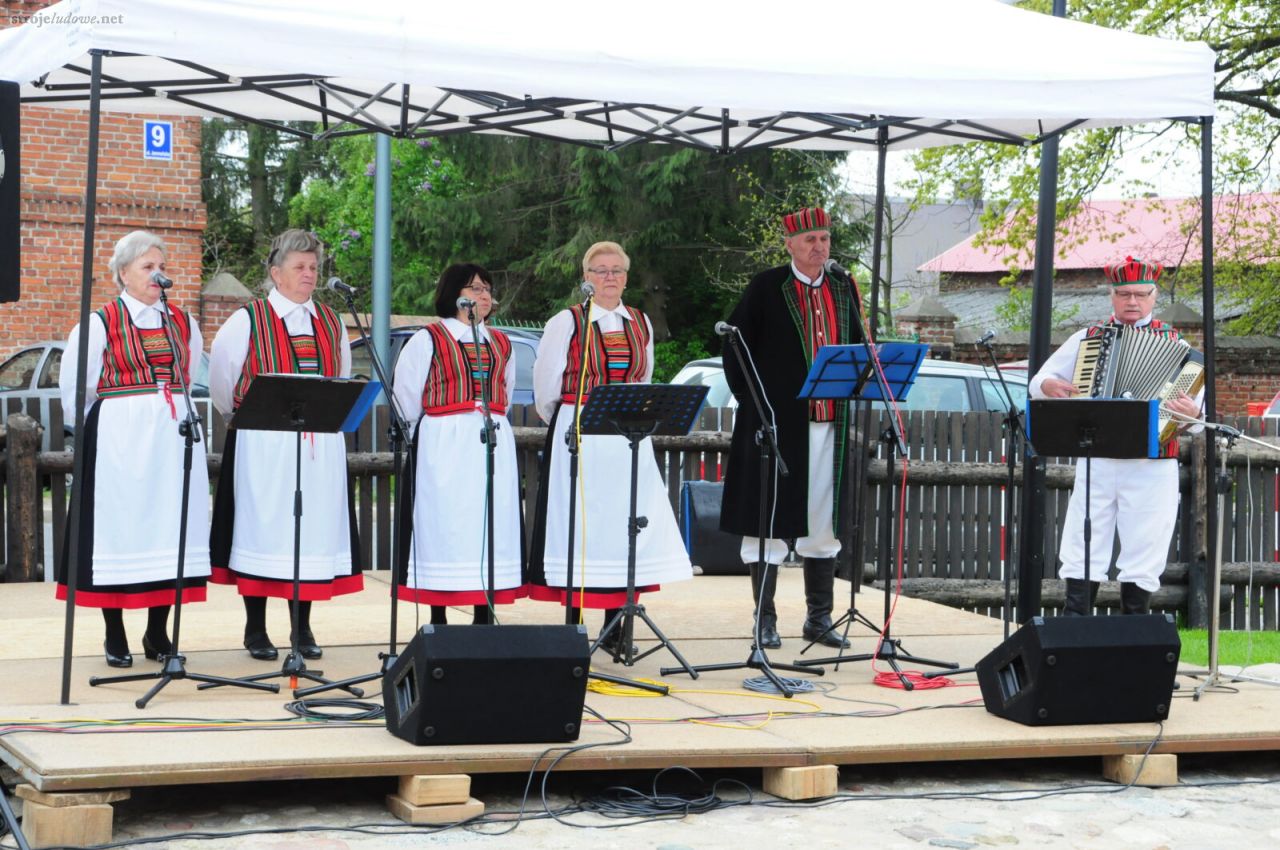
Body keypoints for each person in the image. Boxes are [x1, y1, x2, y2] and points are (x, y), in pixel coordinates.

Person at [528, 241, 692, 653]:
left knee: (623, 526)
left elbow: (645, 375)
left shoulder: (639, 321)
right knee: (581, 526)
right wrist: (570, 418)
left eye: (616, 270)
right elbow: (546, 386)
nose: (609, 277)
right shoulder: (565, 323)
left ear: (626, 276)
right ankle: (575, 625)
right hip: (582, 430)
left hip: (627, 437)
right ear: (586, 277)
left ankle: (617, 627)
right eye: (600, 271)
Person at [58, 230, 209, 667]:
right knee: (120, 530)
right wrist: (116, 423)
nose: (157, 275)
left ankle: (158, 632)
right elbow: (78, 390)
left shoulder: (183, 322)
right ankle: (114, 632)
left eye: (161, 267)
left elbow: (189, 369)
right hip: (121, 442)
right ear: (122, 273)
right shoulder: (99, 323)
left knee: (169, 527)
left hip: (173, 438)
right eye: (147, 267)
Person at [208, 229, 361, 660]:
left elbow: (340, 378)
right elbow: (223, 380)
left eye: (314, 267)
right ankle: (255, 628)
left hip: (317, 446)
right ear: (276, 273)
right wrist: (240, 417)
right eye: (299, 267)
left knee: (308, 531)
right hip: (263, 444)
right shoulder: (247, 319)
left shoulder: (331, 322)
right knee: (263, 527)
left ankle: (302, 627)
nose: (309, 274)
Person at [720, 207, 863, 650]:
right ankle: (765, 620)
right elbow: (734, 346)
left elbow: (860, 347)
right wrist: (756, 406)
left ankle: (818, 619)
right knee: (767, 520)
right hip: (776, 425)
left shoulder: (844, 288)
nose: (819, 247)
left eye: (824, 238)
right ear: (789, 245)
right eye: (809, 240)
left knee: (823, 521)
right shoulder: (767, 287)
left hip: (830, 423)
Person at [1029, 256, 1203, 616]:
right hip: (1098, 457)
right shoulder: (1087, 339)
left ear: (1154, 296)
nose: (1132, 302)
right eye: (1124, 294)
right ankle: (1076, 622)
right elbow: (1037, 383)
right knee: (1082, 537)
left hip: (1152, 461)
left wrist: (1192, 415)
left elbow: (1200, 418)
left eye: (1140, 294)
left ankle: (1133, 625)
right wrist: (1050, 385)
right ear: (1112, 295)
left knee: (1146, 542)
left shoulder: (1179, 348)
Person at [391, 263, 524, 623]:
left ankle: (484, 612)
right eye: (474, 288)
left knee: (488, 523)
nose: (482, 295)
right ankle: (438, 616)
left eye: (486, 289)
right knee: (444, 523)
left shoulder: (502, 343)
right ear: (453, 295)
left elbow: (505, 394)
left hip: (491, 438)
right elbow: (405, 397)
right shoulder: (428, 339)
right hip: (443, 442)